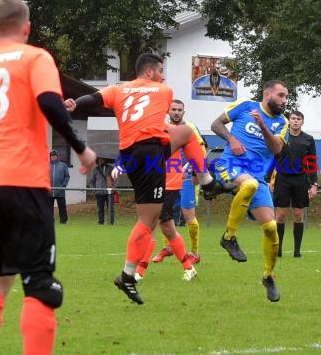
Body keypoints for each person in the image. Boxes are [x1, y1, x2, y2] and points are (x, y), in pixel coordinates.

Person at [0, 0, 96, 355]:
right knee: (41, 286)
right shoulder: (35, 57)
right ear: (26, 28)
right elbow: (50, 102)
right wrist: (81, 147)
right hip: (21, 180)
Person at [65, 53, 233, 305]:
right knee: (148, 220)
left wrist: (74, 104)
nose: (164, 75)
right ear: (150, 72)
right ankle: (128, 275)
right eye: (161, 70)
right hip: (149, 149)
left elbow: (94, 99)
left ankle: (129, 274)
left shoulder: (117, 89)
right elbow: (154, 119)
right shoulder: (163, 90)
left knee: (185, 134)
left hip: (131, 152)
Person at [211, 80, 289, 302]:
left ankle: (268, 276)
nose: (284, 101)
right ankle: (229, 237)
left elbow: (276, 149)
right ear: (267, 94)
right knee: (249, 185)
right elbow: (216, 124)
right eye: (281, 95)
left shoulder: (282, 123)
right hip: (230, 165)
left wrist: (263, 126)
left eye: (286, 97)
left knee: (272, 228)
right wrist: (232, 138)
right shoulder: (245, 106)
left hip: (257, 175)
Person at [135, 123, 198, 282]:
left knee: (149, 225)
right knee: (168, 229)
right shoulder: (144, 129)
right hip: (152, 183)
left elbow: (197, 151)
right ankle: (189, 268)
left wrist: (192, 169)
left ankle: (139, 271)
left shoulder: (175, 131)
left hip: (169, 184)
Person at [153, 99, 206, 264]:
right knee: (164, 214)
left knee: (188, 215)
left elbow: (202, 151)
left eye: (179, 110)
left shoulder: (189, 129)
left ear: (184, 112)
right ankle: (167, 247)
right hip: (167, 179)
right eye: (173, 109)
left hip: (187, 179)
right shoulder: (163, 128)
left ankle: (195, 252)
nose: (176, 112)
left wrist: (187, 167)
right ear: (168, 111)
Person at [272, 110, 317, 258]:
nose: (296, 121)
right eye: (293, 118)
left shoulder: (309, 139)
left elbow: (312, 163)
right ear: (289, 121)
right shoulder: (281, 138)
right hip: (283, 179)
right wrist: (268, 179)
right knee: (281, 215)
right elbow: (273, 158)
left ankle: (297, 251)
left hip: (300, 180)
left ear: (302, 122)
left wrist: (314, 184)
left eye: (298, 119)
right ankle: (278, 249)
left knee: (298, 215)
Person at [90, 157, 115, 225]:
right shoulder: (95, 170)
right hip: (99, 192)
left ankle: (111, 222)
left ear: (105, 160)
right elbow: (92, 181)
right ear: (97, 161)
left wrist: (113, 188)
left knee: (110, 208)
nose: (101, 161)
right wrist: (94, 190)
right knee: (100, 208)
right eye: (99, 160)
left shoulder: (110, 168)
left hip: (109, 192)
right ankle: (101, 222)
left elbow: (115, 179)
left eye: (102, 159)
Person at [49, 149, 70, 224]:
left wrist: (63, 185)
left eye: (54, 155)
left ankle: (63, 220)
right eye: (51, 155)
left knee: (62, 207)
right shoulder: (46, 165)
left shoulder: (63, 165)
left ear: (57, 156)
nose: (53, 157)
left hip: (60, 190)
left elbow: (67, 176)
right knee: (49, 208)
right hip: (49, 191)